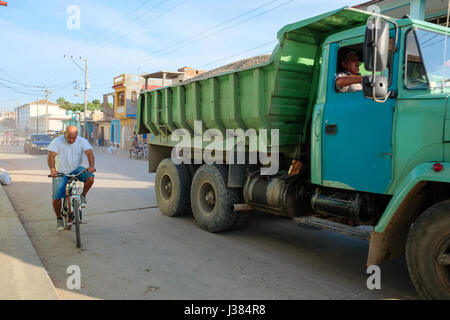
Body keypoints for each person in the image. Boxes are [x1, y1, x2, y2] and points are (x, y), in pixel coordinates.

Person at [47, 126, 96, 231]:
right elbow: (51, 156)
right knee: (56, 197)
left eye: (74, 138)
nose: (71, 140)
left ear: (77, 135)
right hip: (60, 172)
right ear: (65, 133)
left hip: (77, 169)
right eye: (69, 137)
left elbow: (89, 153)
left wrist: (91, 166)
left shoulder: (82, 141)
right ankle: (59, 218)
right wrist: (52, 170)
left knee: (90, 178)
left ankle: (83, 196)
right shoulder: (57, 141)